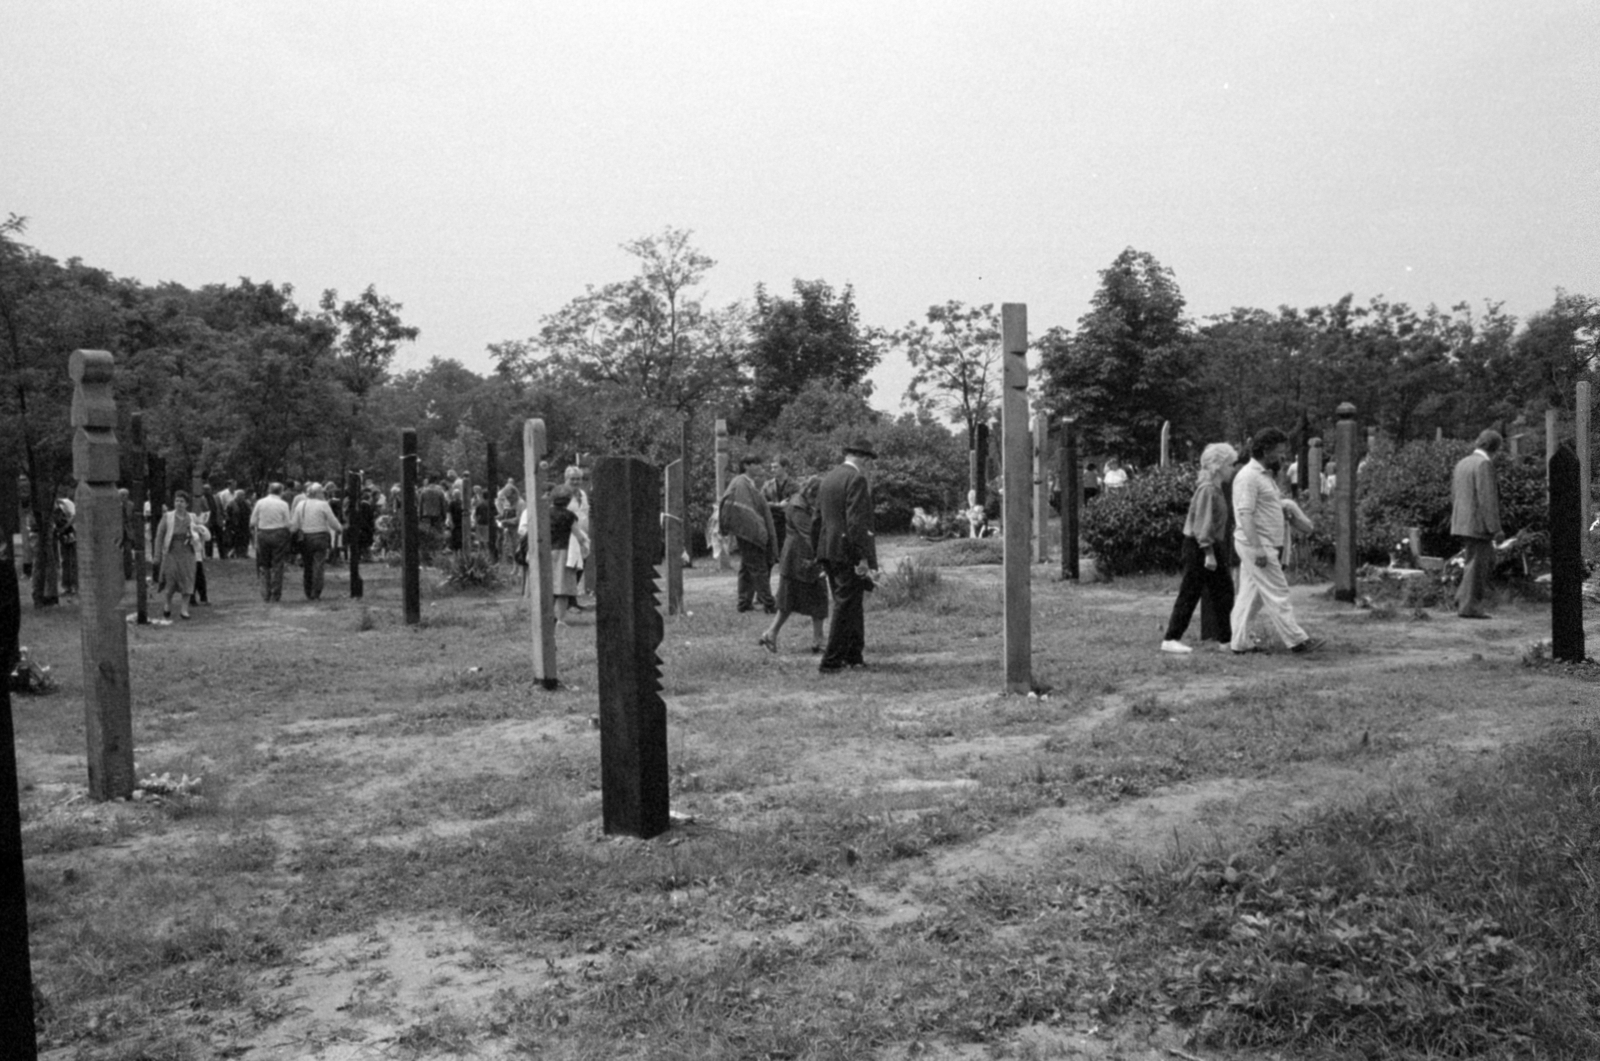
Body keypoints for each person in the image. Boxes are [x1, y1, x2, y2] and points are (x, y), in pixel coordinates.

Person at [1229, 428, 1323, 655]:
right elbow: (1245, 514)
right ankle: (1297, 640)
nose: (1283, 457)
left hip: (1264, 543)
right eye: (1279, 452)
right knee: (1278, 591)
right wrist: (1258, 548)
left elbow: (1262, 508)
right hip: (1258, 545)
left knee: (1250, 596)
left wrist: (1284, 510)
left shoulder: (1264, 476)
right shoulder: (1249, 477)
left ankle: (1239, 642)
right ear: (1266, 450)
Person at [1160, 443, 1237, 653]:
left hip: (1209, 545)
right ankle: (1171, 638)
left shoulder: (1215, 488)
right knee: (1191, 592)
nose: (1233, 468)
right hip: (1201, 547)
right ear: (1218, 466)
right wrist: (1209, 553)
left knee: (1224, 592)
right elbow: (1203, 523)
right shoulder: (1208, 490)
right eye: (1230, 464)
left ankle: (1227, 639)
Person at [812, 438, 879, 673]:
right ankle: (831, 660)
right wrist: (863, 557)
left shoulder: (829, 478)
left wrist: (818, 553)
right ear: (862, 458)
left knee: (852, 604)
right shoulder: (856, 479)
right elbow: (856, 523)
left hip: (829, 549)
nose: (869, 466)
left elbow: (817, 519)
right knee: (845, 605)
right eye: (869, 461)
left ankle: (853, 654)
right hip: (847, 551)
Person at [760, 475, 829, 654]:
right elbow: (808, 534)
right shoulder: (798, 506)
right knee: (788, 600)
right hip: (797, 557)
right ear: (812, 493)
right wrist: (824, 555)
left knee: (817, 596)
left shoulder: (804, 503)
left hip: (807, 557)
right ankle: (771, 633)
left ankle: (817, 639)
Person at [1450, 430, 1503, 620]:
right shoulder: (1484, 464)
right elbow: (1487, 499)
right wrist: (1495, 528)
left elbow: (1455, 494)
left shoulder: (1462, 463)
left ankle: (1461, 599)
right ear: (1493, 447)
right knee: (1478, 565)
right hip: (1478, 523)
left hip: (1462, 521)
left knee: (1471, 562)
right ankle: (1469, 606)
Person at [719, 454, 778, 613]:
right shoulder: (740, 482)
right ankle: (769, 604)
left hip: (748, 532)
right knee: (759, 568)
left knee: (746, 568)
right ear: (746, 465)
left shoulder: (748, 483)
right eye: (755, 464)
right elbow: (738, 509)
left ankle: (744, 603)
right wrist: (757, 529)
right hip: (748, 533)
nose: (759, 467)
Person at [154, 491, 208, 619]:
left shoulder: (192, 517)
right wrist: (157, 555)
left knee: (188, 579)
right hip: (171, 553)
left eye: (182, 501)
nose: (179, 503)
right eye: (177, 501)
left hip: (188, 553)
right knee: (171, 580)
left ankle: (184, 609)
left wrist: (199, 534)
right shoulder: (167, 517)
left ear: (187, 504)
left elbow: (200, 534)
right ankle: (167, 605)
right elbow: (159, 536)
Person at [291, 483, 343, 600]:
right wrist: (339, 529)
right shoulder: (323, 505)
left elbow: (294, 524)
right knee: (319, 565)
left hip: (305, 538)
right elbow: (332, 520)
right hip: (320, 537)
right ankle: (316, 591)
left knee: (308, 565)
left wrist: (291, 533)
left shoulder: (301, 504)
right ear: (319, 493)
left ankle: (308, 590)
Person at [546, 487, 588, 623]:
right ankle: (560, 619)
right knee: (563, 588)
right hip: (564, 552)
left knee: (549, 587)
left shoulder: (544, 514)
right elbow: (579, 535)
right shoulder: (569, 515)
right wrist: (585, 546)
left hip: (546, 552)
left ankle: (547, 617)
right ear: (568, 501)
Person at [251, 482, 293, 602]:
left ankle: (265, 592)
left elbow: (253, 521)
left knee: (264, 564)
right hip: (278, 533)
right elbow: (287, 522)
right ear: (281, 491)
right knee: (278, 564)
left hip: (263, 533)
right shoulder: (283, 504)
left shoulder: (260, 502)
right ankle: (276, 593)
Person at [762, 456, 799, 555]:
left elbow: (794, 504)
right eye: (772, 467)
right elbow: (762, 503)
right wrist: (778, 505)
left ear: (785, 468)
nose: (772, 470)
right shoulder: (767, 485)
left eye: (776, 467)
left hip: (787, 523)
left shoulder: (795, 485)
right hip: (772, 522)